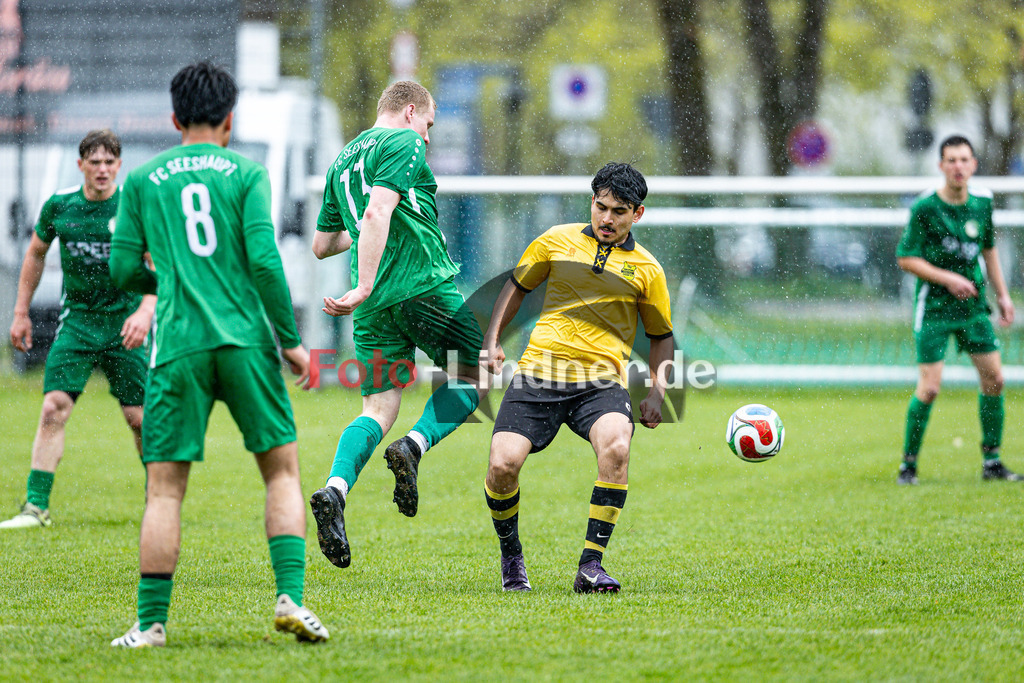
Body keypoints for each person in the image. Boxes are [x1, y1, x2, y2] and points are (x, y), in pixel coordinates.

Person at [107, 62, 328, 647]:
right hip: (245, 342)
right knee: (281, 472)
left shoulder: (143, 179)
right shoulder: (248, 173)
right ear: (230, 120)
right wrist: (290, 341)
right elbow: (264, 261)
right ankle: (290, 598)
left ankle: (151, 625)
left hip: (178, 345)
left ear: (174, 118)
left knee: (165, 490)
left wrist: (171, 280)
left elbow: (122, 269)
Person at [308, 80, 486, 569]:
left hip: (373, 310)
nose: (427, 137)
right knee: (477, 372)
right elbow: (378, 210)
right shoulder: (404, 141)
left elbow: (323, 244)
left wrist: (364, 272)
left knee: (378, 407)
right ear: (410, 112)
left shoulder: (342, 160)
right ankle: (414, 444)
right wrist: (365, 282)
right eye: (428, 124)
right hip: (420, 285)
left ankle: (335, 489)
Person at [482, 162, 674, 593]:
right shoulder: (555, 240)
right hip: (538, 373)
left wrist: (657, 393)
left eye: (619, 212)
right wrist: (492, 339)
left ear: (637, 214)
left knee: (617, 446)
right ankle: (511, 557)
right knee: (501, 465)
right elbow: (517, 286)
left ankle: (591, 566)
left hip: (601, 383)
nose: (607, 219)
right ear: (592, 202)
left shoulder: (647, 270)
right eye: (601, 207)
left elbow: (661, 337)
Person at [3, 129, 154, 530]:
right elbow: (36, 253)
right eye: (95, 162)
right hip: (79, 324)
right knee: (54, 407)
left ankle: (159, 499)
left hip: (126, 324)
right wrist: (20, 312)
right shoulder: (60, 206)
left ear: (119, 166)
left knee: (139, 418)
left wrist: (145, 312)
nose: (102, 169)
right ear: (80, 164)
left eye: (109, 162)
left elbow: (157, 263)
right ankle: (35, 507)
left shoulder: (135, 206)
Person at [896, 134, 1020, 485]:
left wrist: (1003, 296)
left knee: (995, 379)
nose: (958, 166)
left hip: (973, 308)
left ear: (974, 165)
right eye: (951, 160)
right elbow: (906, 258)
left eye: (964, 159)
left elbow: (989, 249)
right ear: (941, 166)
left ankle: (992, 462)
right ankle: (908, 465)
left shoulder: (982, 204)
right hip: (934, 308)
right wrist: (948, 278)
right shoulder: (925, 207)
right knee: (930, 388)